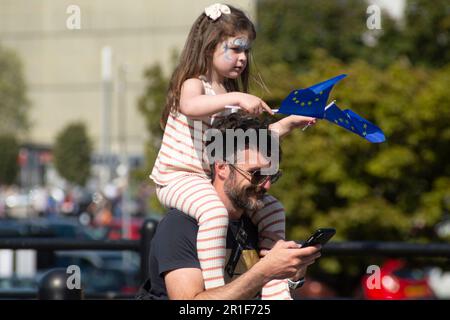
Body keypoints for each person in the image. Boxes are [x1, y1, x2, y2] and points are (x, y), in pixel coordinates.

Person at [149, 3, 316, 298]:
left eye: (246, 51)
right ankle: (217, 289)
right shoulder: (194, 85)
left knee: (274, 208)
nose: (242, 58)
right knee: (214, 211)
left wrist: (288, 123)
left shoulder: (226, 95)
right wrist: (238, 98)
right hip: (176, 177)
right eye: (235, 48)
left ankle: (277, 288)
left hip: (203, 178)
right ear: (209, 47)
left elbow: (244, 149)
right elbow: (189, 106)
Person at [142, 114, 321, 299]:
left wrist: (293, 276)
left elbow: (255, 291)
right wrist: (265, 270)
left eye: (272, 176)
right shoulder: (181, 225)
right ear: (221, 168)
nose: (266, 185)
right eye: (256, 174)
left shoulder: (258, 222)